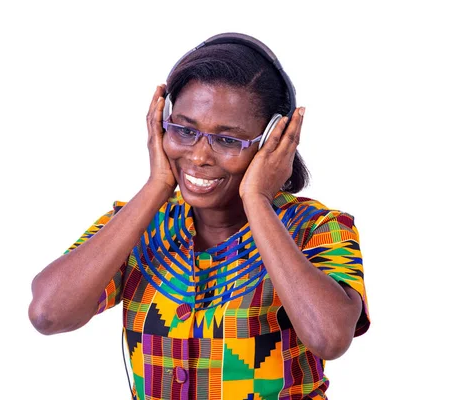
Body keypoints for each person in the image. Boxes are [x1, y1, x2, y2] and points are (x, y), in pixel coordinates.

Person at [28, 32, 370, 399]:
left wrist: (256, 197)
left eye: (227, 140)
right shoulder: (139, 226)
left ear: (274, 139)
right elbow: (48, 314)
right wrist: (157, 185)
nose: (200, 156)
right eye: (185, 130)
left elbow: (329, 338)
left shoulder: (318, 228)